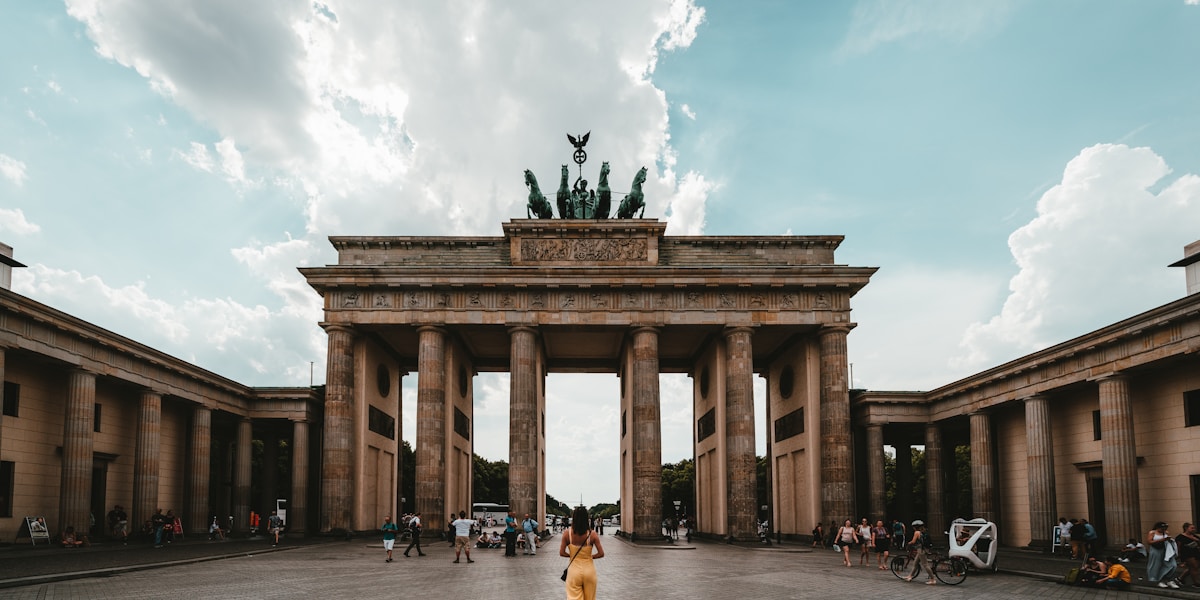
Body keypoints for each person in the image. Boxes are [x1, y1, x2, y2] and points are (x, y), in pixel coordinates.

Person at [559, 505, 604, 600]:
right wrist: (589, 556)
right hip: (589, 571)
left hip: (573, 571)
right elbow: (601, 553)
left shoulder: (567, 534)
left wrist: (572, 555)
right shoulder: (592, 534)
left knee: (573, 597)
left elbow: (562, 553)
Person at [1147, 521, 1180, 588]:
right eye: (1162, 528)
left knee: (1172, 565)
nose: (1163, 530)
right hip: (1156, 550)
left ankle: (1168, 579)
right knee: (1156, 565)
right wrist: (1162, 540)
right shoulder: (1152, 532)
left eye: (1165, 528)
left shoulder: (1166, 533)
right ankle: (1157, 580)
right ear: (1158, 527)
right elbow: (1149, 541)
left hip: (1165, 550)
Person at [903, 520, 936, 585]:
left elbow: (913, 541)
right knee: (915, 563)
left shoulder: (917, 532)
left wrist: (908, 543)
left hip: (921, 550)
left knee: (925, 564)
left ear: (915, 527)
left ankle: (932, 579)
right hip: (924, 549)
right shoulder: (924, 531)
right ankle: (910, 576)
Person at [1176, 522, 1200, 587]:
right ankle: (1196, 582)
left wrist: (1197, 541)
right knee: (1194, 567)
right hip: (1187, 554)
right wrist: (1179, 555)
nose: (1193, 529)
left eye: (1194, 528)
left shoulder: (1195, 536)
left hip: (1196, 553)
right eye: (1192, 528)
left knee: (1193, 567)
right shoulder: (1180, 537)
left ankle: (1180, 578)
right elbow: (1178, 547)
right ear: (1186, 528)